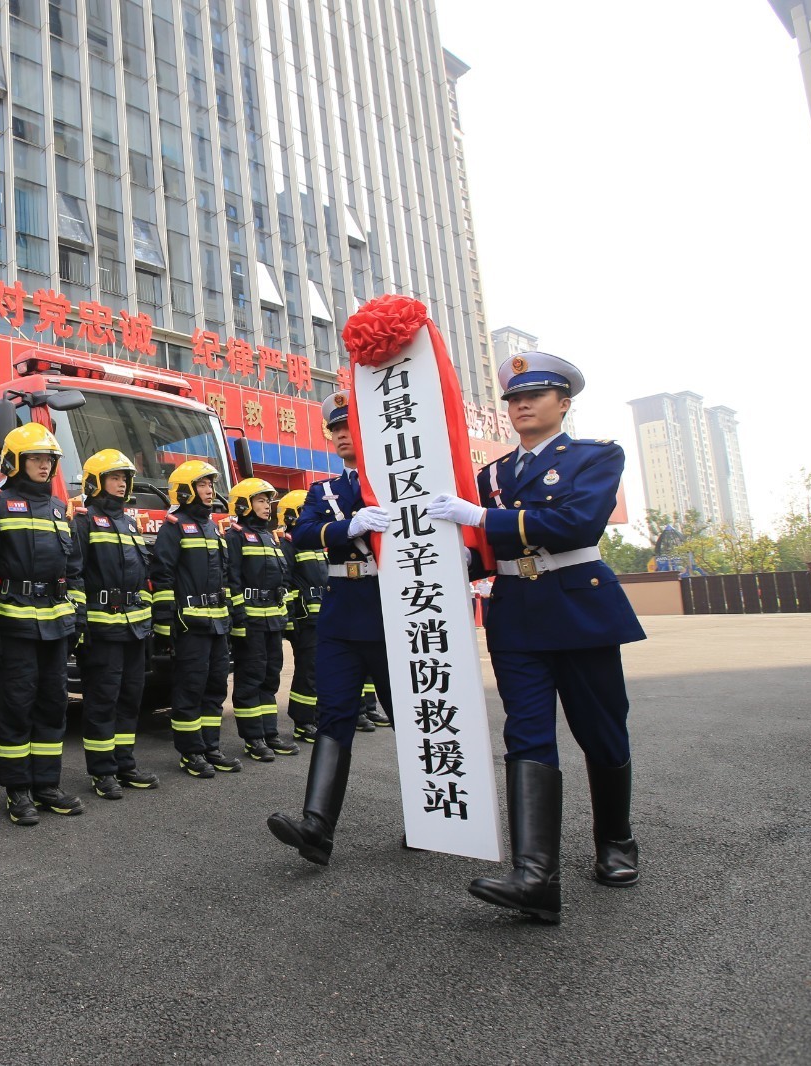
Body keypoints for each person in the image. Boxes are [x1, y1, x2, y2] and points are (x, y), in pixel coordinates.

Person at [426, 352, 646, 923]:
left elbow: (577, 525)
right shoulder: (493, 474)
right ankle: (535, 876)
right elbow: (477, 551)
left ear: (563, 403)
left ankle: (616, 840)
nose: (520, 405)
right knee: (525, 733)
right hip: (516, 612)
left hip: (578, 605)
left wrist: (481, 518)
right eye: (513, 399)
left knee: (600, 730)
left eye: (535, 396)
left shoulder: (596, 457)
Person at [266, 391, 393, 864]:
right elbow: (302, 534)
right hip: (341, 614)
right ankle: (317, 827)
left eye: (349, 427)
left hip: (393, 610)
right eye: (335, 429)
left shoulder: (397, 480)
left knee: (410, 715)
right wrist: (349, 527)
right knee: (334, 713)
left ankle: (434, 818)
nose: (341, 435)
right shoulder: (323, 491)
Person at [0, 422, 86, 824]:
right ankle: (17, 791)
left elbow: (74, 569)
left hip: (56, 623)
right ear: (15, 462)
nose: (44, 465)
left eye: (49, 460)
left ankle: (47, 785)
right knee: (17, 706)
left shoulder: (61, 510)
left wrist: (78, 611)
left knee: (53, 704)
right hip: (15, 622)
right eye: (37, 458)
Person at [72, 448, 161, 798]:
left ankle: (125, 763)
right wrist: (81, 625)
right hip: (102, 628)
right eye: (114, 477)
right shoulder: (83, 521)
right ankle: (102, 771)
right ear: (95, 482)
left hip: (134, 628)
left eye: (125, 477)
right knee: (102, 700)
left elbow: (143, 577)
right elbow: (74, 574)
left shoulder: (128, 522)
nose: (122, 483)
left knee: (130, 698)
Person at [150, 460, 242, 778]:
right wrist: (165, 627)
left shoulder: (211, 527)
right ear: (186, 489)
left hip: (217, 624)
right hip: (189, 624)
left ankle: (210, 746)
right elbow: (162, 578)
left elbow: (224, 577)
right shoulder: (173, 526)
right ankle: (190, 752)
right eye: (202, 484)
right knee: (190, 687)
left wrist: (228, 618)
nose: (209, 490)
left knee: (216, 686)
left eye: (210, 484)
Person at [224, 477, 299, 761]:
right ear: (244, 504)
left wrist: (285, 615)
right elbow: (232, 581)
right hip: (252, 622)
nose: (267, 506)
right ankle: (253, 738)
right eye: (261, 500)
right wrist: (240, 619)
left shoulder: (269, 536)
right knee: (250, 679)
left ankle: (270, 733)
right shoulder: (235, 537)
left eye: (268, 501)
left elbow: (281, 579)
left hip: (273, 621)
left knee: (270, 678)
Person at [276, 489, 325, 744]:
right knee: (308, 670)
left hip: (323, 620)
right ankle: (303, 721)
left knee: (321, 670)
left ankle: (317, 717)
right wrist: (292, 621)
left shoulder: (316, 543)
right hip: (304, 622)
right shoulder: (288, 543)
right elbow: (284, 585)